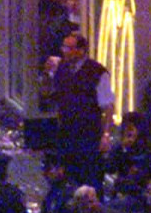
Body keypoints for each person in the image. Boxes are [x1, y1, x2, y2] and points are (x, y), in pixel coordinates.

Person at [43, 32, 111, 189]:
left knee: (89, 177)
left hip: (89, 134)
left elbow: (107, 105)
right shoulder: (61, 68)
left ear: (81, 51)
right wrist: (46, 73)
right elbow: (46, 92)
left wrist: (106, 134)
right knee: (66, 176)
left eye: (69, 48)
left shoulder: (97, 72)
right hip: (66, 131)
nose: (64, 51)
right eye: (64, 47)